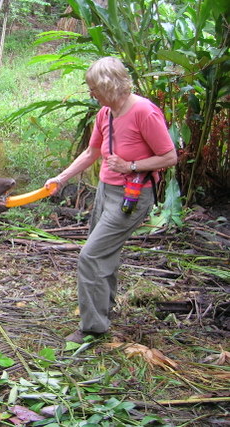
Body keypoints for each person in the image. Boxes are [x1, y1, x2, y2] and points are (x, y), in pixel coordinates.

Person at [45, 57, 178, 344]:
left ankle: (93, 328)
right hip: (106, 190)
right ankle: (103, 311)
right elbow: (91, 152)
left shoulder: (144, 111)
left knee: (90, 256)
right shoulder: (105, 114)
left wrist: (131, 166)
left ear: (109, 85)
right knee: (104, 255)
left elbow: (169, 156)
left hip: (132, 196)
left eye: (94, 88)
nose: (91, 94)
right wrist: (61, 178)